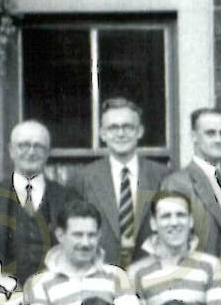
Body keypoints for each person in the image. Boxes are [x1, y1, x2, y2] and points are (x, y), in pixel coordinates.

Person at [19, 203, 144, 305]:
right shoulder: (38, 283)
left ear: (99, 235)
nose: (85, 243)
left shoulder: (117, 276)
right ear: (60, 235)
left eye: (91, 235)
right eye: (78, 235)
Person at [0, 119, 81, 281]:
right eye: (23, 145)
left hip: (56, 290)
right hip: (3, 290)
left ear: (48, 152)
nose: (31, 152)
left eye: (38, 146)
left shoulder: (68, 198)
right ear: (11, 151)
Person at [69, 97, 169, 268]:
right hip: (98, 272)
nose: (121, 134)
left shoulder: (163, 176)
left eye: (128, 127)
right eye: (113, 128)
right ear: (102, 134)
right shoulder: (82, 179)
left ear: (140, 131)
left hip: (151, 272)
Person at [128, 192, 221, 305]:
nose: (174, 222)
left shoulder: (211, 266)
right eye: (166, 216)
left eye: (181, 215)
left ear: (190, 221)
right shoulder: (136, 272)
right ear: (153, 224)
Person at [160, 107, 221, 259]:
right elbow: (171, 243)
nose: (218, 140)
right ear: (194, 137)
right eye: (210, 133)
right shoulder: (177, 183)